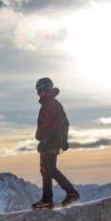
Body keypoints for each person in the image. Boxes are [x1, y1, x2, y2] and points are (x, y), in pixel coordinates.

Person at [32, 77, 81, 210]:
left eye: (41, 91)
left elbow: (51, 125)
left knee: (49, 169)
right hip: (51, 140)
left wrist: (50, 139)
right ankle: (50, 199)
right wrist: (63, 141)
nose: (39, 93)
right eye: (38, 91)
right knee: (47, 170)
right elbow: (65, 123)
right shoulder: (51, 104)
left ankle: (69, 194)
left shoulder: (51, 104)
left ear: (47, 90)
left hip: (51, 140)